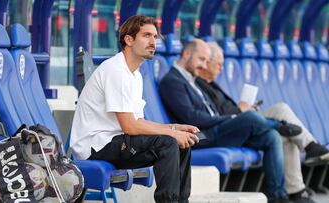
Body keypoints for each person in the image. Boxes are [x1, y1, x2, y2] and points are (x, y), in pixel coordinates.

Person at [70, 15, 200, 203]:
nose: (153, 42)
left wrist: (174, 128)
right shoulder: (115, 70)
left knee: (182, 144)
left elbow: (138, 121)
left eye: (155, 37)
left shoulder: (135, 75)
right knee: (167, 143)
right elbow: (130, 127)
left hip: (118, 141)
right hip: (97, 145)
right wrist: (171, 134)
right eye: (147, 36)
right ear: (128, 40)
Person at [159, 39, 297, 203]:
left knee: (271, 137)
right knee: (249, 117)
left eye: (206, 61)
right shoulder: (172, 81)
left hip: (214, 130)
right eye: (201, 59)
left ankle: (277, 195)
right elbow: (191, 117)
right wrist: (229, 118)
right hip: (198, 136)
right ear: (187, 54)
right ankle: (279, 125)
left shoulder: (192, 80)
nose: (204, 65)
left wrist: (227, 119)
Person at [195, 43, 329, 203]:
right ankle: (310, 146)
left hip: (240, 121)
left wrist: (247, 108)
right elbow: (216, 116)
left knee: (285, 131)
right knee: (281, 113)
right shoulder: (196, 84)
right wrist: (240, 110)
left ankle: (296, 190)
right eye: (218, 64)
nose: (221, 68)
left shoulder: (211, 84)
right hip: (232, 125)